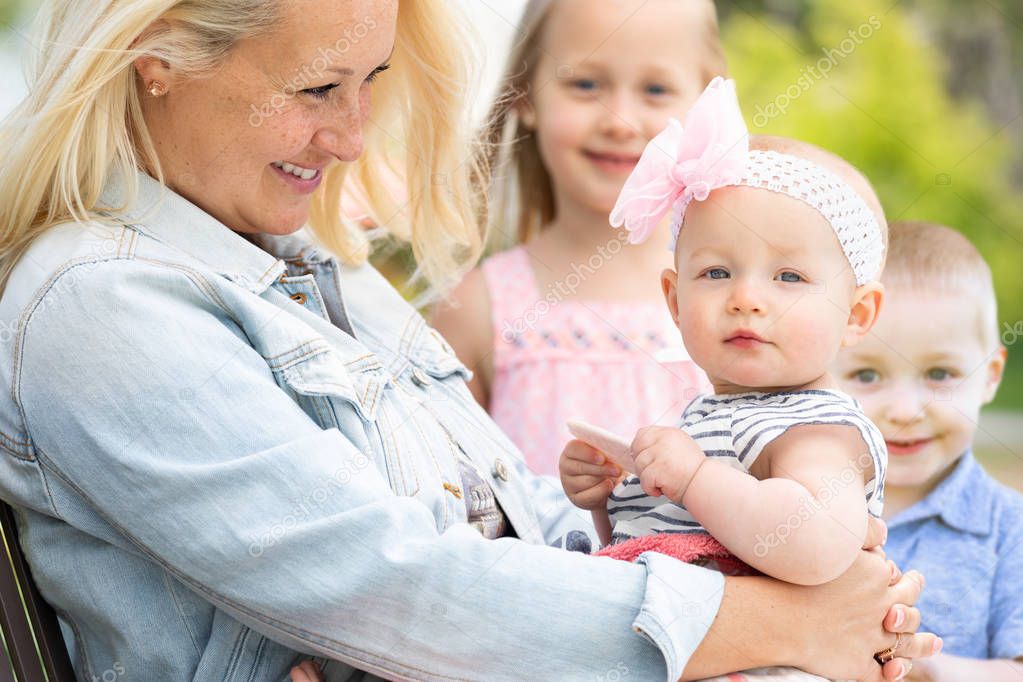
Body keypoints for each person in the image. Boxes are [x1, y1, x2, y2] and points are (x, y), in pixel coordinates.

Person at [0, 0, 933, 680]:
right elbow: (388, 587)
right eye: (318, 88)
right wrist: (774, 623)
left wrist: (819, 597)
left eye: (371, 84)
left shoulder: (320, 268)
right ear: (156, 55)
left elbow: (512, 515)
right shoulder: (103, 306)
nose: (354, 139)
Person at [561, 76, 921, 679]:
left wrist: (693, 476)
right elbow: (672, 545)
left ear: (857, 314)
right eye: (718, 272)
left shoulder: (816, 430)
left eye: (789, 278)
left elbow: (812, 544)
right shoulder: (704, 420)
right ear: (674, 301)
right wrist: (613, 498)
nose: (747, 299)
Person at [431, 0, 714, 477]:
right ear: (525, 96)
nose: (620, 121)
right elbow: (451, 494)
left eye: (656, 89)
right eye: (585, 84)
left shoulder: (736, 289)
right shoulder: (478, 309)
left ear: (705, 103)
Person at [836, 221, 1023, 680]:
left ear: (991, 375)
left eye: (940, 375)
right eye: (866, 375)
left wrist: (927, 668)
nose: (904, 410)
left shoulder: (1009, 530)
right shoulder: (788, 501)